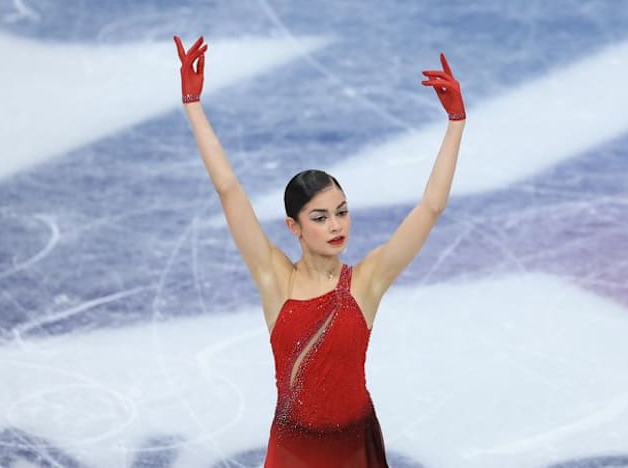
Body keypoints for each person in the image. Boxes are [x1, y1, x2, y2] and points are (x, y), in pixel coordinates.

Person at [173, 35, 466, 468]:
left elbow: (431, 207)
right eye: (320, 217)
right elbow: (229, 190)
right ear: (294, 227)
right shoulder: (276, 280)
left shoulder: (367, 281)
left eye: (342, 212)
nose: (336, 226)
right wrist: (192, 103)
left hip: (353, 448)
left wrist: (456, 121)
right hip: (294, 452)